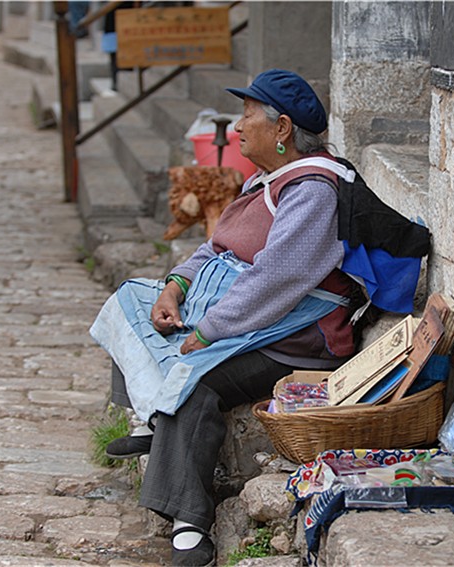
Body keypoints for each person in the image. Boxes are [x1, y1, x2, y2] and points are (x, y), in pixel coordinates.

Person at [90, 69, 370, 566]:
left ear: (281, 129)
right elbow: (215, 247)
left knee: (196, 379)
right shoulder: (263, 178)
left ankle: (190, 524)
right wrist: (176, 286)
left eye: (246, 116)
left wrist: (208, 330)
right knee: (133, 301)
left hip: (295, 331)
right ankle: (149, 414)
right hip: (243, 307)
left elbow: (276, 282)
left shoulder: (312, 191)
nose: (237, 128)